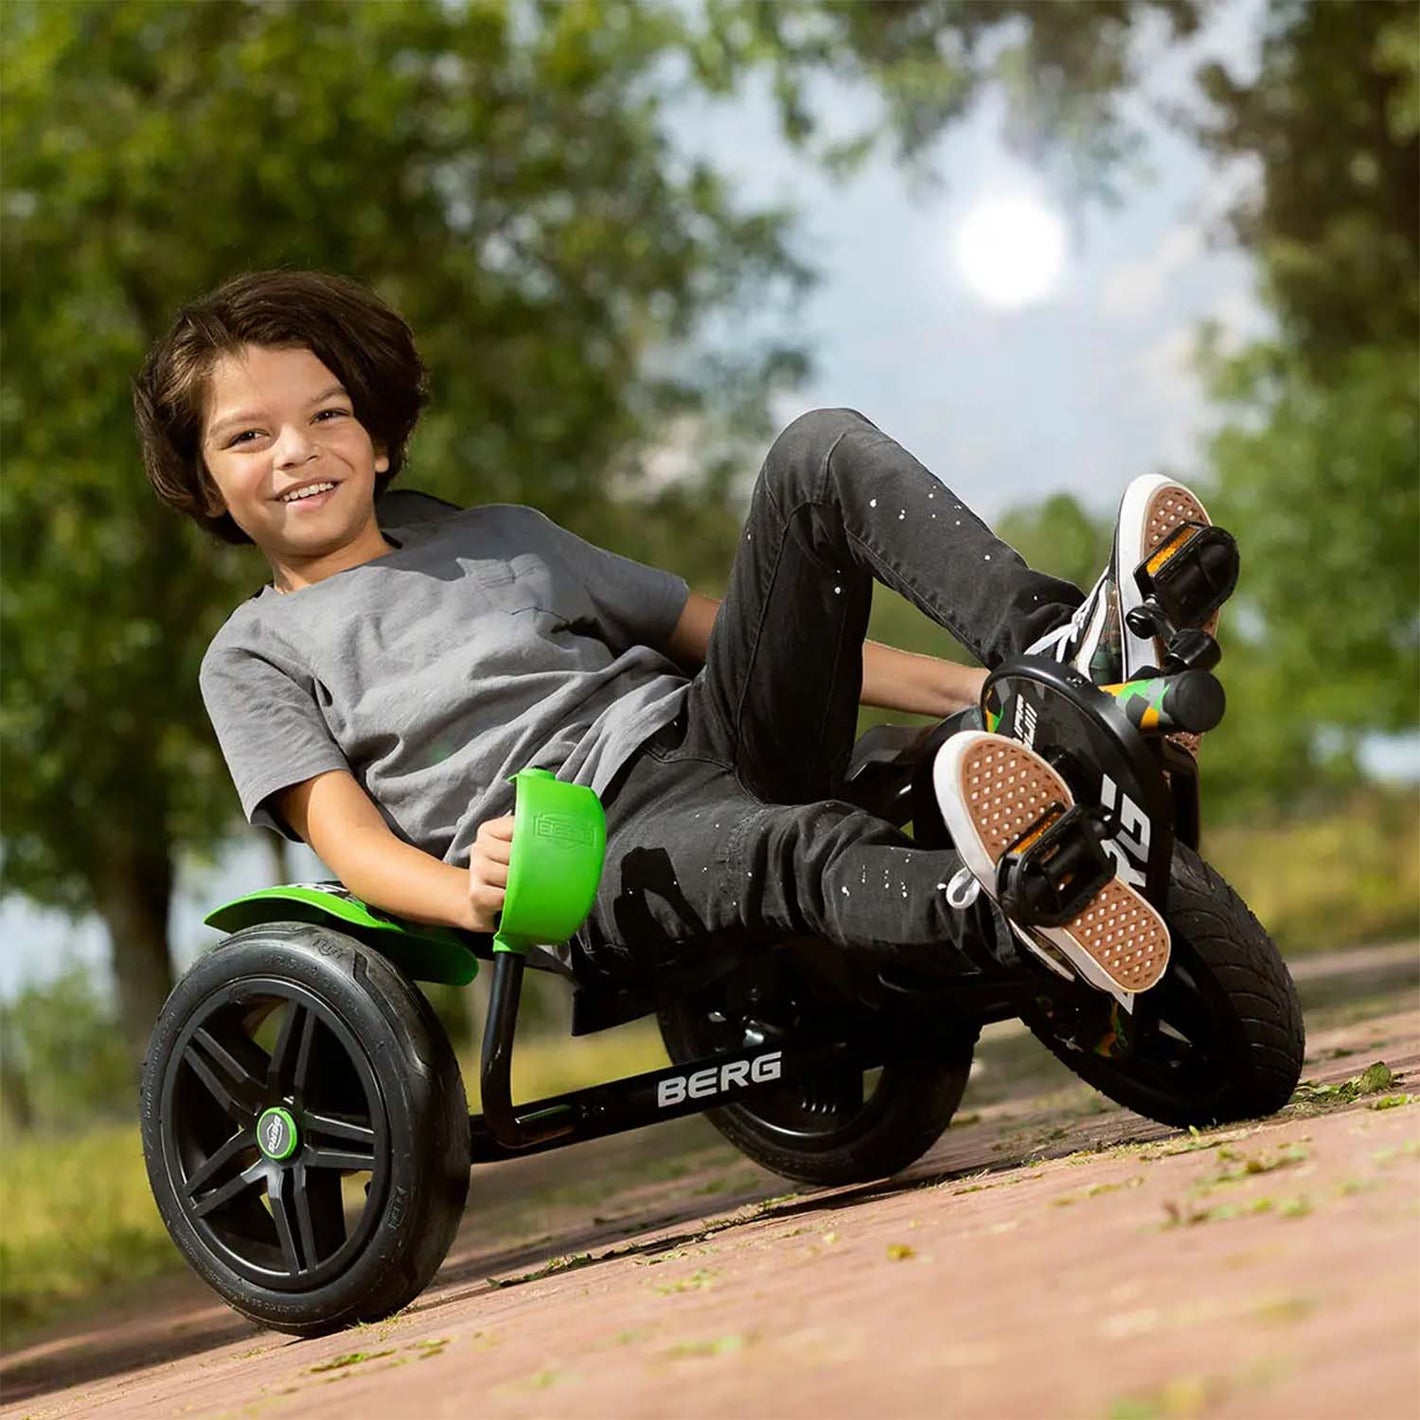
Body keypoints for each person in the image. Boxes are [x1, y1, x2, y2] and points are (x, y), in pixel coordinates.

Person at [134, 269, 1218, 999]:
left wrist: (978, 696)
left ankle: (1059, 647)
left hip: (712, 734)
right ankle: (1017, 914)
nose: (296, 450)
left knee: (816, 451)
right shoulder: (256, 653)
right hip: (582, 851)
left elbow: (713, 630)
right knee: (792, 848)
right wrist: (470, 893)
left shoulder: (503, 538)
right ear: (206, 483)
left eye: (327, 413)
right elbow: (351, 846)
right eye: (247, 435)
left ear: (376, 437)